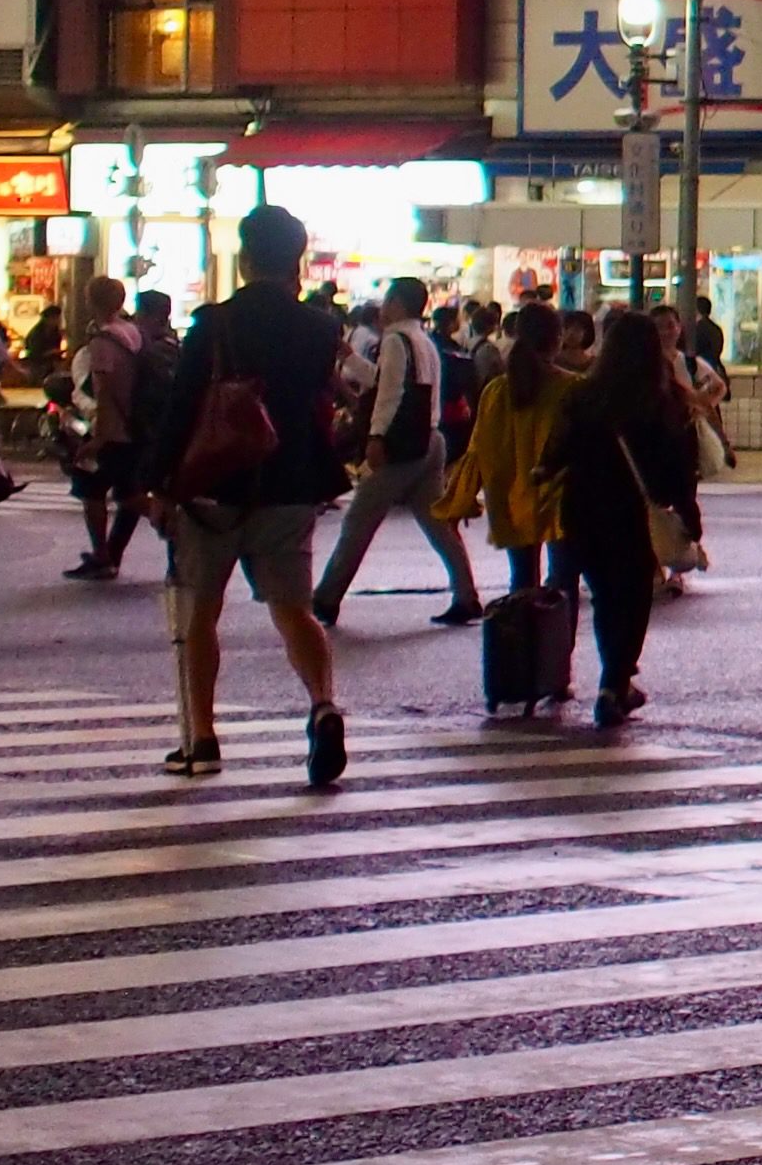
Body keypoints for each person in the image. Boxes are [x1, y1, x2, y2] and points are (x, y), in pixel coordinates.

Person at [150, 204, 352, 787]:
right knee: (293, 609)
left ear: (243, 259)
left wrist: (159, 483)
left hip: (214, 486)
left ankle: (202, 738)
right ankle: (322, 704)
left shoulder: (214, 325)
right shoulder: (320, 330)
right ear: (297, 261)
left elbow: (182, 408)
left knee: (201, 612)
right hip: (289, 484)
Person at [310, 274, 485, 630]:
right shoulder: (422, 340)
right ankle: (466, 596)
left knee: (359, 521)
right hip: (430, 440)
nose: (383, 307)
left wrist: (377, 437)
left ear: (398, 303)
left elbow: (390, 393)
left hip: (401, 446)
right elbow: (386, 380)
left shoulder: (394, 340)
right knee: (437, 524)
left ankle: (326, 598)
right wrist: (350, 358)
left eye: (388, 300)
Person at [551, 307, 695, 730]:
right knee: (631, 600)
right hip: (631, 514)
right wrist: (687, 512)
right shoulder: (661, 400)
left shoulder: (582, 395)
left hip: (582, 509)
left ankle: (612, 681)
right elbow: (678, 466)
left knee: (604, 598)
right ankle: (614, 684)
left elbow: (557, 452)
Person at [440, 303, 572, 612]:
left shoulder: (497, 391)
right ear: (557, 339)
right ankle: (558, 640)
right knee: (563, 580)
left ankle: (525, 640)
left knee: (522, 581)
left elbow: (478, 449)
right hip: (563, 497)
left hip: (511, 496)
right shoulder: (572, 388)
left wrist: (460, 500)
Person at [59, 271, 145, 580]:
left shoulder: (102, 341)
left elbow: (104, 392)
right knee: (129, 492)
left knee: (91, 489)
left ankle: (102, 554)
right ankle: (173, 535)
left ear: (90, 301)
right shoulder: (132, 332)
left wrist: (98, 438)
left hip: (113, 430)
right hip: (134, 425)